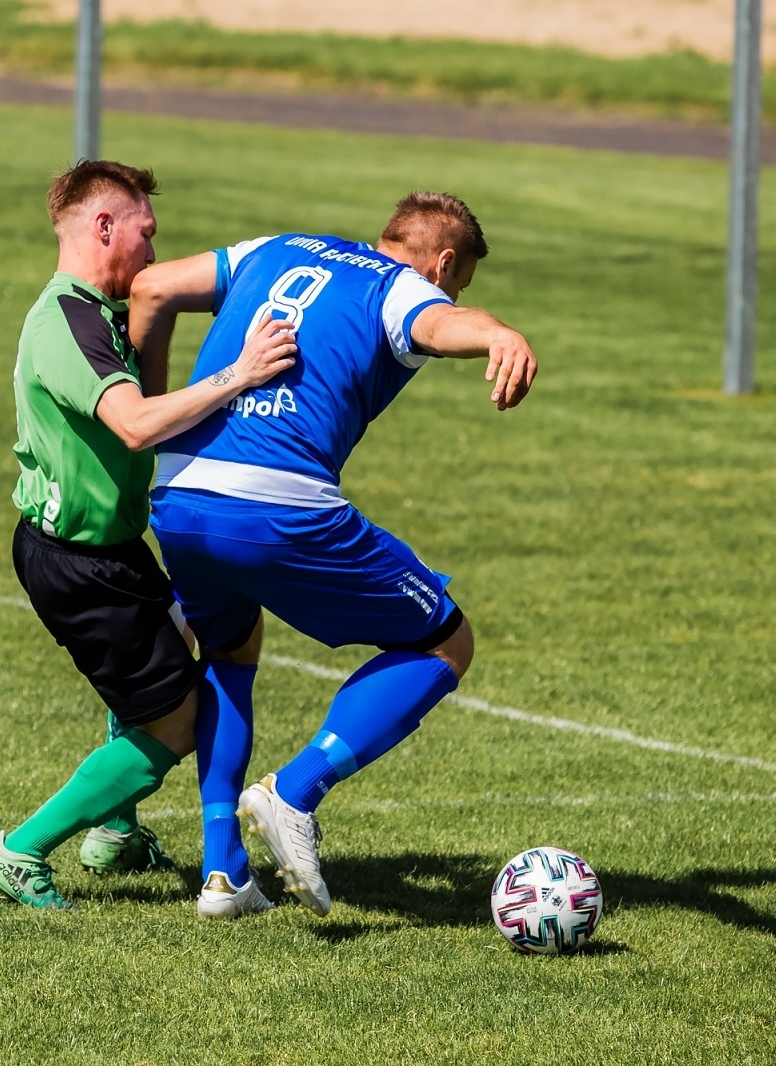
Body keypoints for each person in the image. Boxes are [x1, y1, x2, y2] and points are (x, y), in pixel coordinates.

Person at [127, 190, 538, 917]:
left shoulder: (276, 247)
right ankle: (295, 791)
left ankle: (223, 874)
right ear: (442, 262)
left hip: (181, 495)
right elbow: (443, 323)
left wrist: (156, 412)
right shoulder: (402, 288)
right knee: (445, 641)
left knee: (231, 648)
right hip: (276, 505)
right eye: (461, 278)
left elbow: (151, 287)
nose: (454, 290)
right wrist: (498, 332)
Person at [0, 160, 298, 910]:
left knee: (170, 654)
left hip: (108, 550)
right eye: (145, 234)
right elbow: (136, 422)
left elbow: (147, 405)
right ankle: (18, 851)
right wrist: (241, 373)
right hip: (77, 564)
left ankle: (114, 833)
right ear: (103, 226)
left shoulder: (99, 312)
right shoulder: (66, 319)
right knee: (177, 723)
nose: (153, 252)